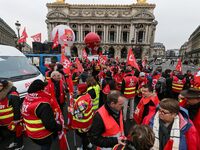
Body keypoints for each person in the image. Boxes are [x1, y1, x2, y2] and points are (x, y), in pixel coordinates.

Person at [22, 79, 62, 150]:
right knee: (45, 147)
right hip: (42, 135)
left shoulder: (26, 99)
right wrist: (59, 127)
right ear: (41, 89)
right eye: (44, 88)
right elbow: (49, 125)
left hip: (30, 132)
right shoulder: (43, 104)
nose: (45, 89)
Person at [69, 83, 94, 150]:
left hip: (83, 124)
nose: (76, 90)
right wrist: (74, 101)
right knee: (85, 135)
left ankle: (84, 147)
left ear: (81, 91)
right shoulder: (87, 95)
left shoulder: (82, 101)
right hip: (88, 121)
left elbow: (79, 116)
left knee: (82, 136)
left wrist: (71, 110)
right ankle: (89, 144)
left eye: (78, 89)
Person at [0, 79, 24, 150]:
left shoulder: (13, 95)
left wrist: (16, 121)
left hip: (13, 120)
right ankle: (15, 142)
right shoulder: (1, 93)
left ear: (5, 86)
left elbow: (17, 109)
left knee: (17, 133)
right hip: (4, 121)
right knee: (12, 133)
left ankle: (20, 145)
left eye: (0, 86)